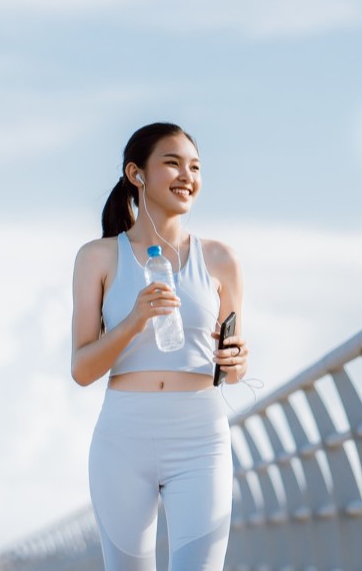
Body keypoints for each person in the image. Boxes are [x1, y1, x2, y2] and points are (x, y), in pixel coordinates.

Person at [71, 122, 251, 571]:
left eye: (194, 166)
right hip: (123, 437)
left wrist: (238, 360)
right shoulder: (97, 257)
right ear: (137, 173)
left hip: (200, 437)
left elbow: (234, 366)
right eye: (172, 163)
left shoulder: (221, 260)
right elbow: (82, 368)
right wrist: (133, 322)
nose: (186, 175)